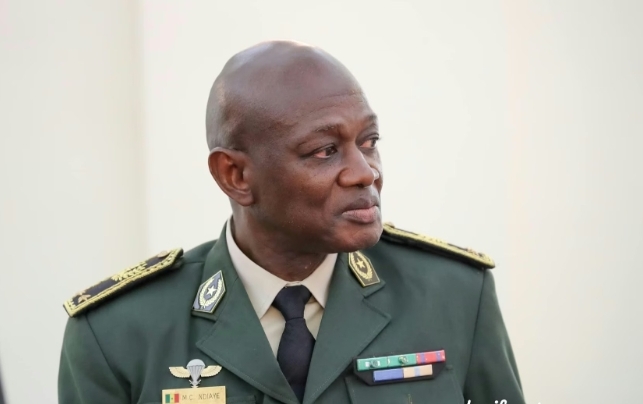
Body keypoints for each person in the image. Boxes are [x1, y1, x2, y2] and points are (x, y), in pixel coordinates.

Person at [58, 41, 525, 404]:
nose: (365, 172)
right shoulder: (118, 333)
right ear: (235, 175)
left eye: (369, 141)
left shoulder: (454, 296)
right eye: (325, 151)